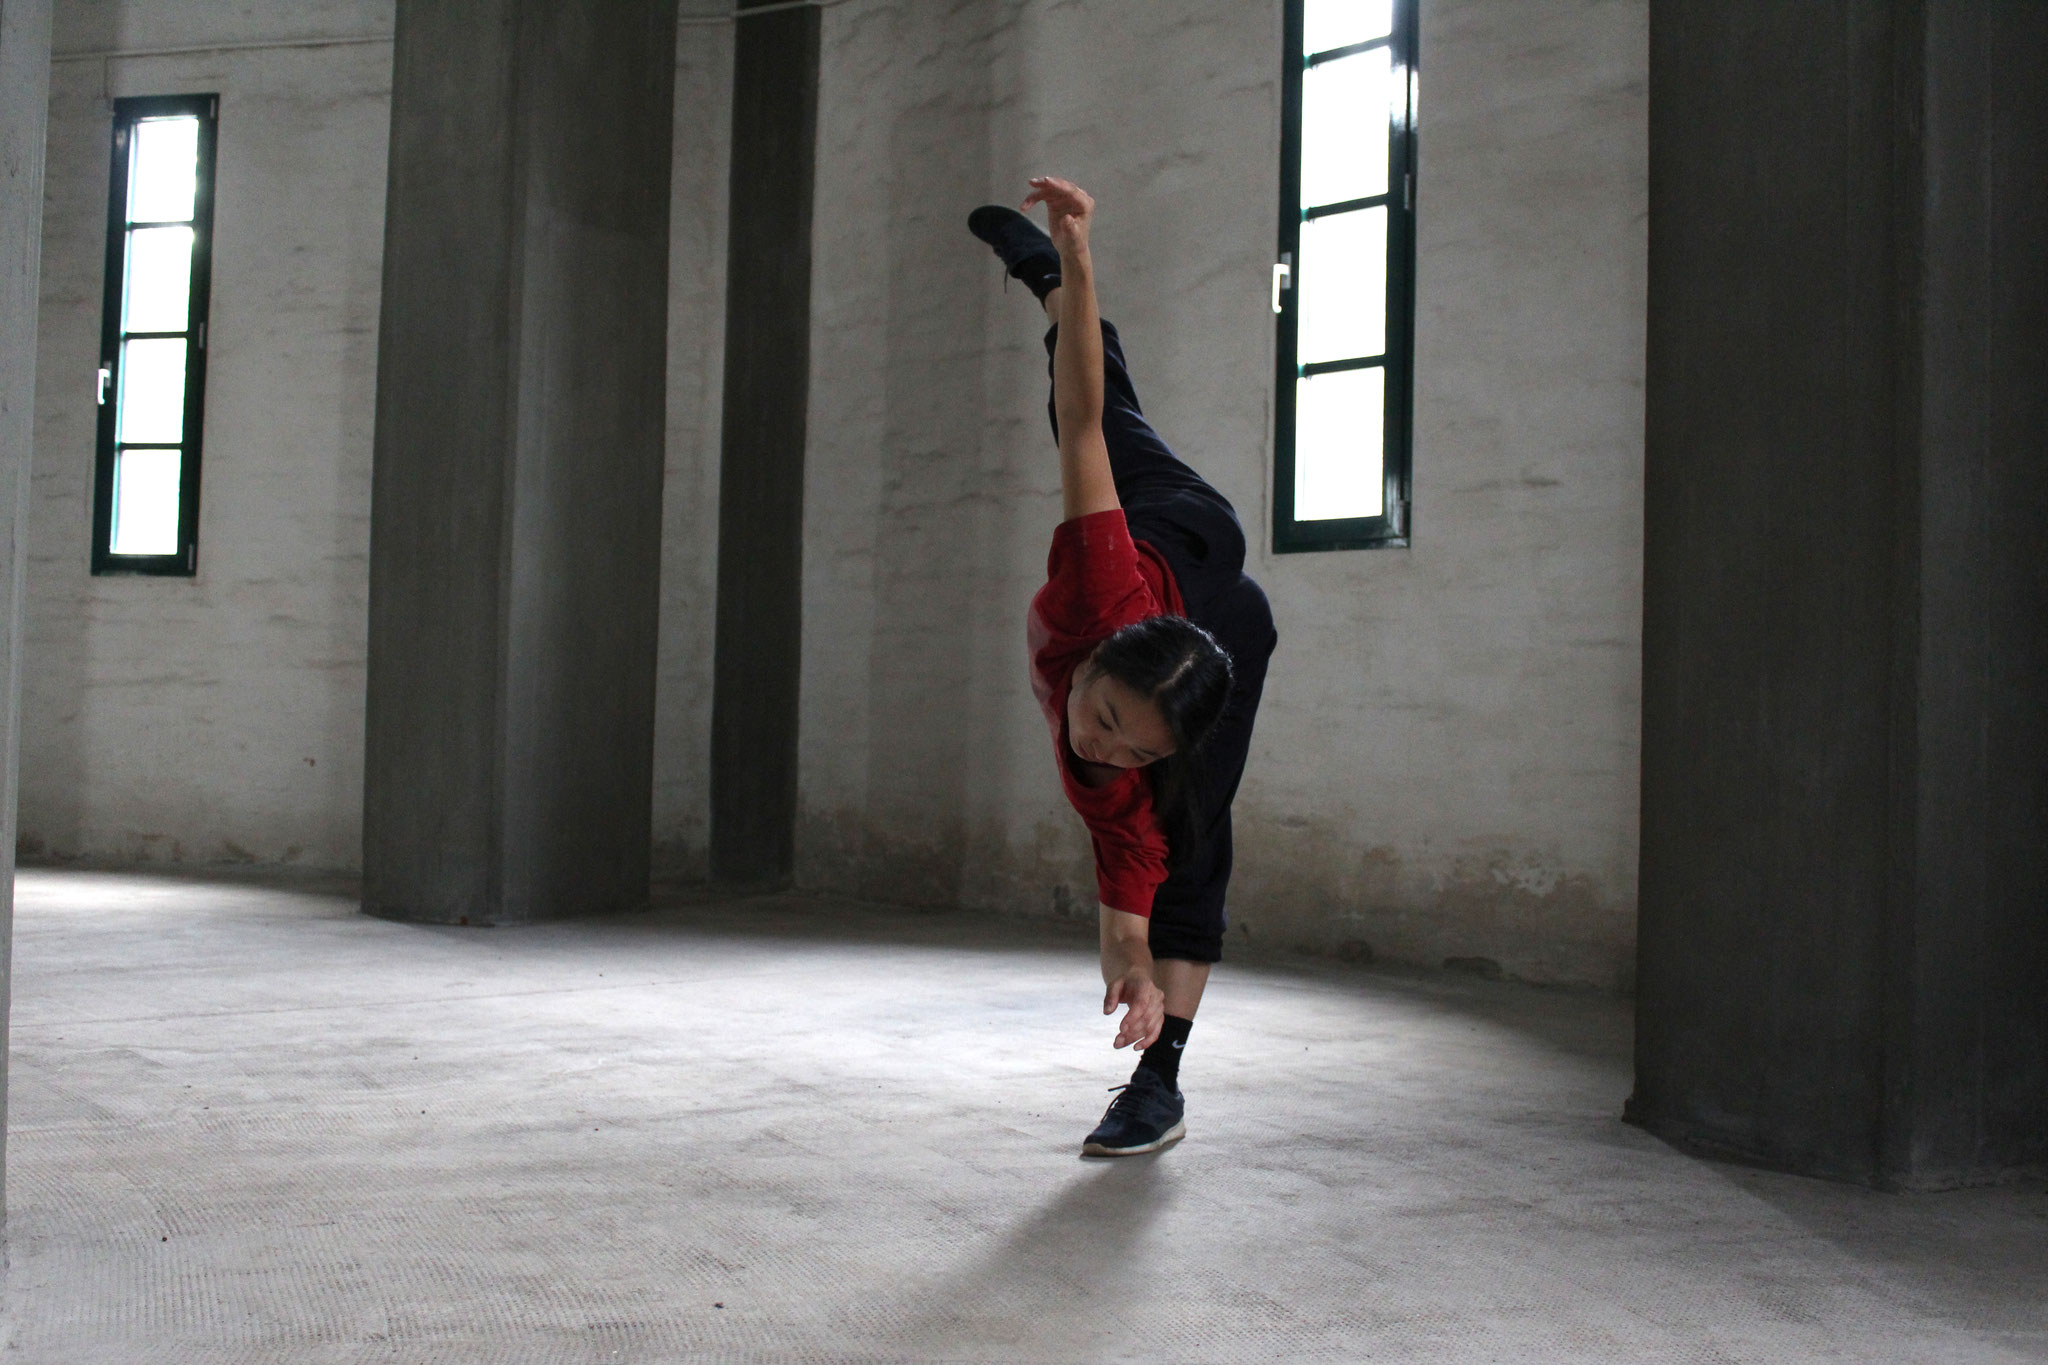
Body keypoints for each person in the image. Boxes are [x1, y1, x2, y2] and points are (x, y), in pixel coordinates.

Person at [968, 177, 1279, 1157]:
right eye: (1100, 717)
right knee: (1088, 410)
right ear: (1097, 662)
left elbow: (1123, 898)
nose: (1090, 743)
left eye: (1124, 748)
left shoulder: (1129, 780)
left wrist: (1135, 975)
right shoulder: (1099, 591)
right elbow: (1088, 421)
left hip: (1231, 621)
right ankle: (1048, 282)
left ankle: (1159, 1080)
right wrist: (1079, 257)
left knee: (1190, 840)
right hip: (1178, 525)